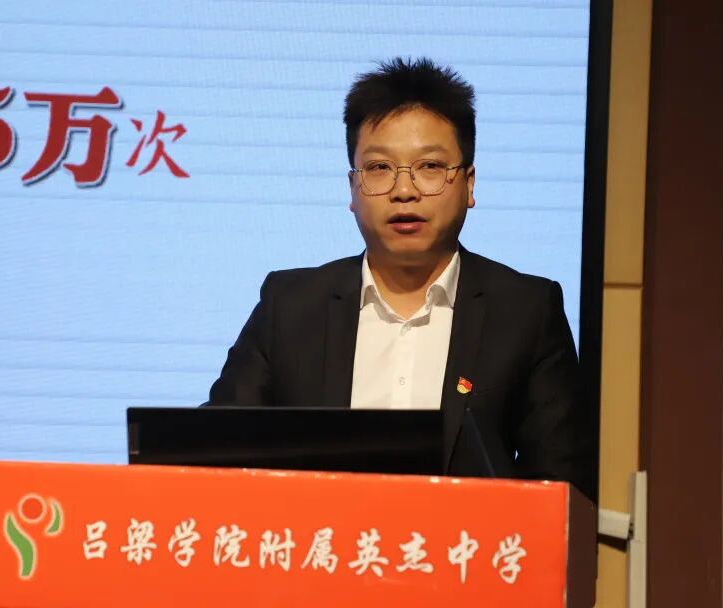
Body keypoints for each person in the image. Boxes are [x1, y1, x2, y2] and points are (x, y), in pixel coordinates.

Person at [206, 57, 595, 501]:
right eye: (379, 168)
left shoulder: (526, 311)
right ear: (353, 188)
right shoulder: (290, 306)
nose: (404, 190)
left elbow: (564, 489)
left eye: (430, 167)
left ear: (468, 184)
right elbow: (215, 455)